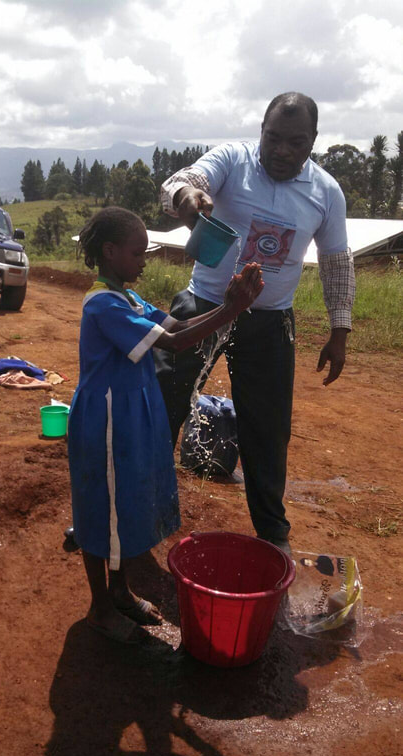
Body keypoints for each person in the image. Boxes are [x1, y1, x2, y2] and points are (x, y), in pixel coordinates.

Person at [155, 92, 355, 556]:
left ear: (314, 141)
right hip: (203, 307)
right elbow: (180, 181)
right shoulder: (233, 160)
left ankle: (273, 536)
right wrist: (189, 197)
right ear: (260, 130)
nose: (282, 150)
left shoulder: (325, 192)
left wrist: (339, 330)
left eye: (296, 141)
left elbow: (337, 261)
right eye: (273, 138)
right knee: (162, 403)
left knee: (267, 430)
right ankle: (141, 508)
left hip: (269, 322)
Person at [68, 207, 264, 644]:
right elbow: (175, 344)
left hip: (126, 417)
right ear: (110, 251)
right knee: (104, 511)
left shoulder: (129, 299)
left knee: (120, 507)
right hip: (106, 422)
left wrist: (230, 310)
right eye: (138, 253)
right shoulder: (103, 304)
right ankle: (100, 608)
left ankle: (119, 591)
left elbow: (175, 324)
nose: (145, 260)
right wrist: (231, 308)